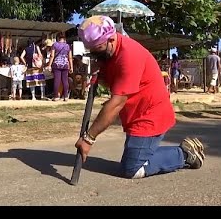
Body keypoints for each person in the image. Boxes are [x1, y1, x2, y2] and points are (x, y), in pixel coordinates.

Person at [75, 15, 205, 179]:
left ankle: (184, 153)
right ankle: (150, 154)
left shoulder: (129, 55)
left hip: (149, 114)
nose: (94, 54)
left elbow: (116, 103)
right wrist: (96, 74)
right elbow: (114, 82)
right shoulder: (109, 54)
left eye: (97, 49)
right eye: (91, 50)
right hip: (135, 113)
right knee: (133, 161)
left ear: (111, 39)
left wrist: (88, 139)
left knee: (132, 169)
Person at [47, 32, 73, 101]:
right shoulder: (68, 46)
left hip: (57, 64)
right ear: (64, 38)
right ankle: (66, 96)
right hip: (65, 64)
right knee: (65, 80)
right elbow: (70, 57)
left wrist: (49, 65)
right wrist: (71, 67)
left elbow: (52, 56)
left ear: (58, 38)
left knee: (57, 80)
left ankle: (56, 96)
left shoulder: (55, 45)